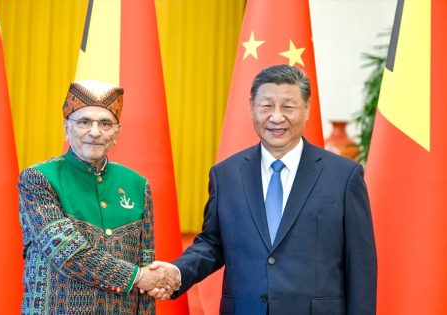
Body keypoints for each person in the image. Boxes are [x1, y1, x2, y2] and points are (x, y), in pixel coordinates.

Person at [152, 64, 377, 314]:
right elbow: (213, 244)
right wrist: (177, 271)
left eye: (288, 107)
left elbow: (360, 265)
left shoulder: (344, 176)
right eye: (267, 106)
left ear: (307, 109)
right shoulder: (226, 174)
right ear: (251, 108)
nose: (277, 117)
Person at [18, 80, 179, 314]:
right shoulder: (38, 179)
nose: (95, 132)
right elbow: (67, 252)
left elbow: (146, 262)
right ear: (66, 127)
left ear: (117, 131)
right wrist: (139, 276)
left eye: (105, 123)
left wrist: (149, 280)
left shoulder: (137, 184)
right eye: (84, 122)